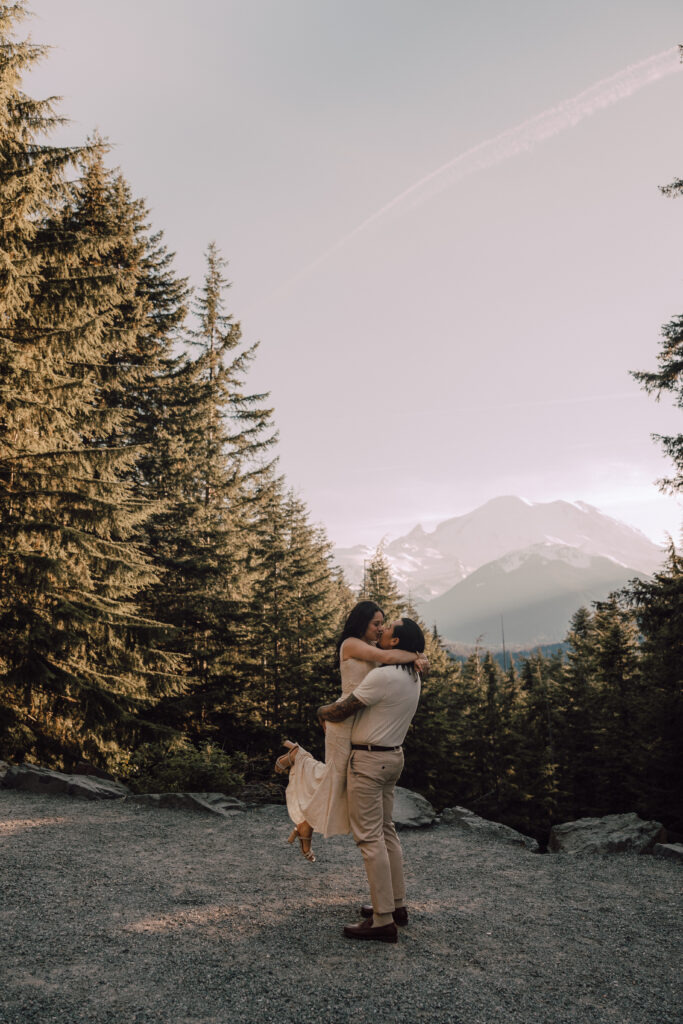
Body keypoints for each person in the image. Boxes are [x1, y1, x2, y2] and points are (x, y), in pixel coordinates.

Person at [274, 601, 427, 862]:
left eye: (383, 624)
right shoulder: (352, 644)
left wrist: (415, 658)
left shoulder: (371, 648)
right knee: (336, 776)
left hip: (359, 720)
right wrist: (417, 655)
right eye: (376, 624)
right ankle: (299, 761)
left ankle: (306, 823)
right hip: (342, 719)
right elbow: (390, 657)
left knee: (340, 779)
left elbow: (389, 662)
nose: (380, 629)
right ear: (361, 623)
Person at [316, 616, 425, 943]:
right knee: (387, 831)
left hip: (369, 760)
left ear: (394, 642)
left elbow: (341, 710)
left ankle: (382, 920)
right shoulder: (412, 675)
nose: (383, 628)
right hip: (393, 758)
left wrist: (320, 711)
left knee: (369, 838)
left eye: (389, 625)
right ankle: (396, 904)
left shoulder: (383, 676)